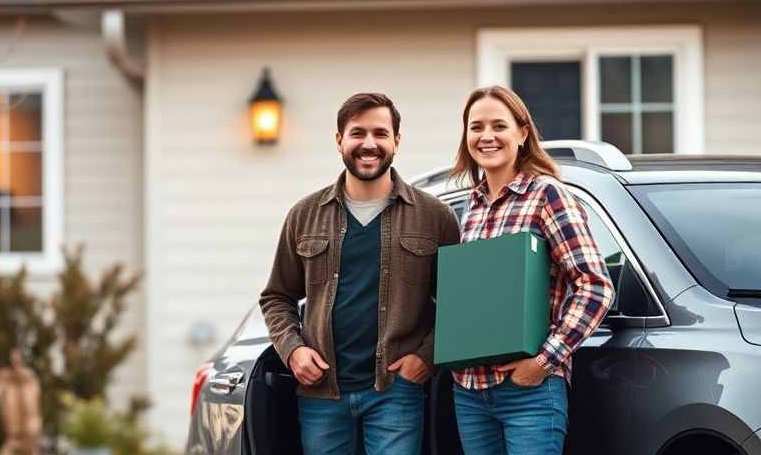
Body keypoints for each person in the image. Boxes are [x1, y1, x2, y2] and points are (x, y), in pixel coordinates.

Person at [259, 92, 460, 455]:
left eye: (381, 133)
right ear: (339, 141)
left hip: (396, 392)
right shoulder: (304, 215)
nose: (369, 144)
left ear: (396, 142)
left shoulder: (435, 217)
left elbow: (458, 302)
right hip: (322, 394)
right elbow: (277, 296)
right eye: (357, 133)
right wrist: (293, 351)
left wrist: (426, 357)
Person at [449, 85, 615, 455]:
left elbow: (595, 286)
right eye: (476, 127)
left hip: (530, 392)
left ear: (522, 133)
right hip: (470, 391)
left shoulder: (548, 196)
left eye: (499, 126)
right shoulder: (470, 208)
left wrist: (544, 361)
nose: (486, 136)